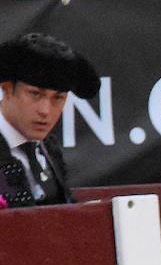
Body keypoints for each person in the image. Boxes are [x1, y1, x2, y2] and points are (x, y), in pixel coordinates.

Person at [0, 33, 98, 208]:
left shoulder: (47, 150)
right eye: (35, 94)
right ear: (7, 90)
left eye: (58, 98)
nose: (45, 111)